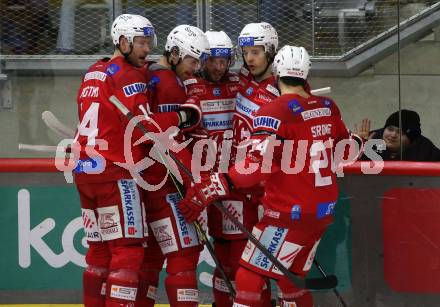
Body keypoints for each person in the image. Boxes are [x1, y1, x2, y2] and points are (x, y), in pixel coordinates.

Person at [178, 45, 357, 307]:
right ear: (306, 73)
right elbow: (348, 151)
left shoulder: (274, 111)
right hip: (322, 212)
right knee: (291, 282)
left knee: (249, 278)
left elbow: (256, 167)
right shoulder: (328, 106)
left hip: (287, 214)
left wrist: (213, 186)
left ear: (276, 71)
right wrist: (360, 139)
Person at [73, 14, 201, 307]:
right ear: (122, 42)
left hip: (85, 170)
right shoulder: (128, 74)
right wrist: (182, 117)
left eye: (148, 43)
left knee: (99, 253)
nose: (147, 50)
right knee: (128, 253)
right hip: (117, 172)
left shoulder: (93, 71)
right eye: (141, 43)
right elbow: (145, 129)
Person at [139, 24, 210, 307]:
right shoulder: (167, 82)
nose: (195, 68)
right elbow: (169, 140)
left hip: (147, 179)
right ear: (177, 53)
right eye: (193, 60)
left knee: (152, 258)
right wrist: (190, 182)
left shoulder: (151, 74)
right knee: (184, 255)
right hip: (164, 181)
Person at [184, 30, 243, 307]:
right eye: (213, 61)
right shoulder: (188, 83)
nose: (220, 68)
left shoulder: (239, 81)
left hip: (230, 180)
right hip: (198, 178)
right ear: (203, 58)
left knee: (229, 251)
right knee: (190, 251)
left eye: (225, 61)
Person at [356, 109, 440, 161]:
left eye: (401, 133)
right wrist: (358, 146)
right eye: (390, 129)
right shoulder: (371, 139)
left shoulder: (425, 149)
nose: (393, 135)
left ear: (412, 142)